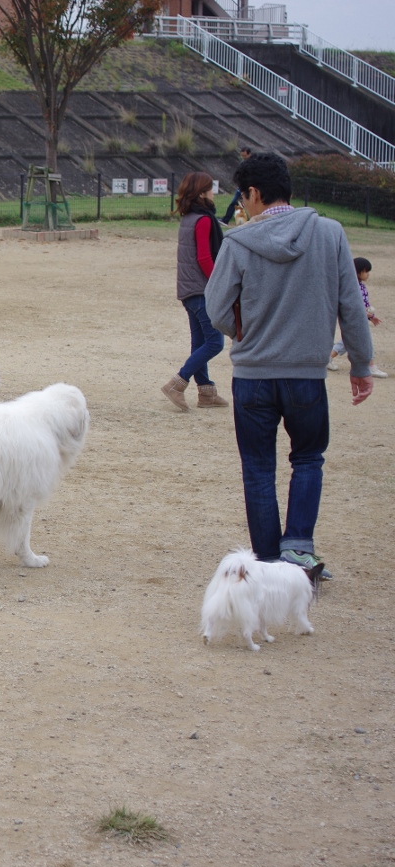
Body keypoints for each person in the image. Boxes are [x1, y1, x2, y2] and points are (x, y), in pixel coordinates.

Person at [205, 152, 373, 581]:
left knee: (259, 467)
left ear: (255, 194)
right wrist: (361, 363)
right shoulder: (329, 234)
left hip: (252, 377)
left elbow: (216, 308)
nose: (242, 207)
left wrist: (242, 331)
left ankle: (266, 560)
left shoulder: (239, 242)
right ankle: (298, 550)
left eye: (243, 199)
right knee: (309, 459)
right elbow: (350, 304)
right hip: (307, 375)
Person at [162, 171, 229, 411]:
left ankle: (207, 392)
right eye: (211, 188)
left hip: (188, 289)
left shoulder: (188, 217)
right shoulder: (204, 219)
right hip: (201, 290)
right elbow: (204, 257)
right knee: (215, 342)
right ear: (202, 192)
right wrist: (219, 282)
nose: (214, 192)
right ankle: (177, 383)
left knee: (200, 341)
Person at [327, 258, 386, 378]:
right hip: (354, 318)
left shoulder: (360, 286)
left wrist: (370, 316)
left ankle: (328, 358)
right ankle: (371, 366)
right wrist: (364, 314)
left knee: (348, 340)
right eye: (366, 272)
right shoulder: (353, 287)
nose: (368, 274)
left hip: (359, 318)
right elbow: (353, 305)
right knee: (366, 340)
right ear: (358, 272)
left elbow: (363, 305)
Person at [220, 147, 251, 225]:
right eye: (242, 156)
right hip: (241, 186)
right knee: (234, 203)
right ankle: (226, 220)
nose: (243, 158)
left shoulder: (253, 164)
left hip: (248, 186)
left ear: (249, 154)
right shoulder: (242, 163)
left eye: (244, 156)